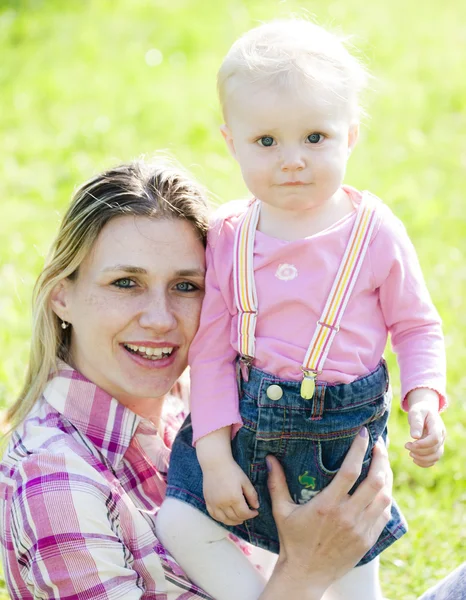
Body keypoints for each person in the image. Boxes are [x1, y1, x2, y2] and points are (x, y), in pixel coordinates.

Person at [0, 158, 395, 600]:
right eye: (126, 283)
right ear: (62, 296)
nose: (159, 319)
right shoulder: (56, 480)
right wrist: (306, 571)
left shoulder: (201, 406)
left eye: (186, 286)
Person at [156, 19, 448, 600]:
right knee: (181, 521)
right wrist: (214, 458)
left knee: (352, 577)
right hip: (245, 428)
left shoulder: (373, 232)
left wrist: (423, 397)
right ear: (231, 141)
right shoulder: (230, 235)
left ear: (351, 136)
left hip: (342, 442)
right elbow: (211, 350)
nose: (292, 160)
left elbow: (417, 325)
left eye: (315, 137)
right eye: (266, 142)